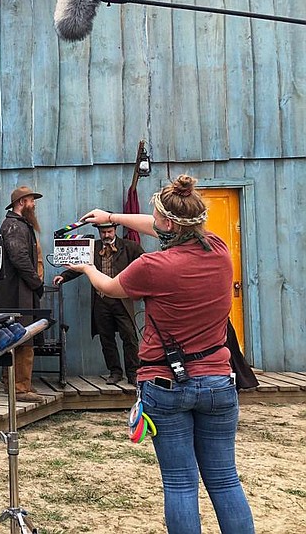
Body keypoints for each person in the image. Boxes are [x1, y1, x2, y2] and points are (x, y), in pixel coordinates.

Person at [67, 175, 255, 534]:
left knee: (181, 483)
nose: (152, 223)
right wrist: (112, 216)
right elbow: (159, 227)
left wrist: (86, 267)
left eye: (156, 218)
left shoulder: (152, 268)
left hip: (164, 382)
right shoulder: (218, 248)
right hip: (217, 381)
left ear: (167, 224)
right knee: (225, 480)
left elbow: (109, 287)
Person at [53, 220, 144, 384]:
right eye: (103, 233)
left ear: (115, 230)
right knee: (106, 337)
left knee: (129, 337)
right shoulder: (92, 247)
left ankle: (133, 373)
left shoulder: (130, 247)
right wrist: (64, 276)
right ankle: (115, 372)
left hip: (121, 299)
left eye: (109, 232)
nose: (106, 235)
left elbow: (144, 267)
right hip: (101, 300)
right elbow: (80, 266)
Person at [0, 185, 45, 402]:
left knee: (15, 336)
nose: (34, 205)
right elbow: (19, 257)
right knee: (24, 337)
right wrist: (36, 283)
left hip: (18, 290)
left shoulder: (18, 224)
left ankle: (12, 383)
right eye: (32, 200)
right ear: (22, 202)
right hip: (17, 292)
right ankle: (20, 388)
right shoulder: (13, 226)